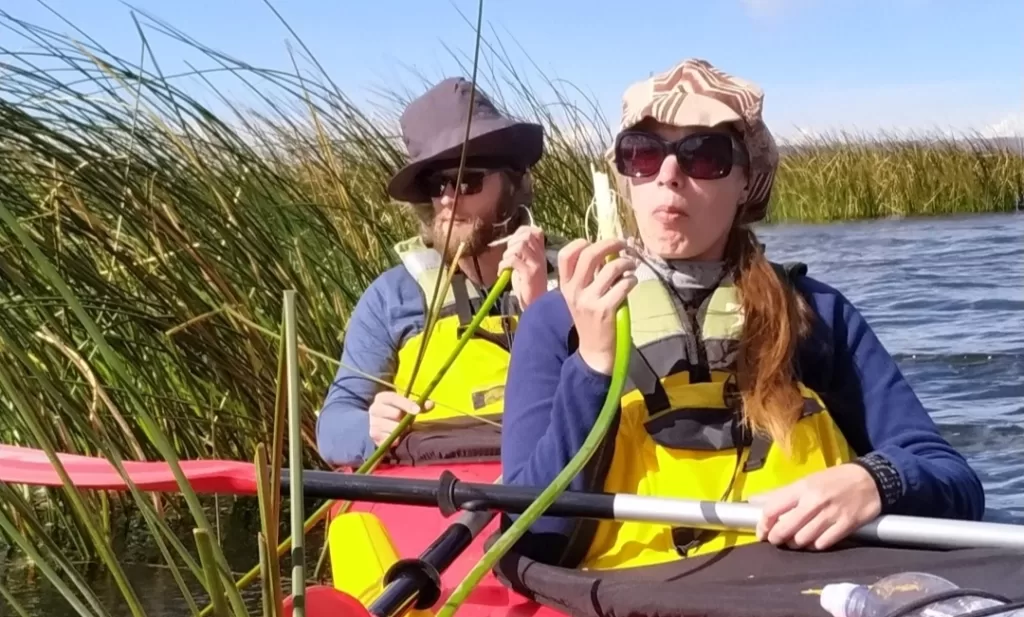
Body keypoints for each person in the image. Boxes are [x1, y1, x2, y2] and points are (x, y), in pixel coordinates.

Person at [499, 58, 985, 570]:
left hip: (799, 589)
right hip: (630, 594)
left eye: (704, 156)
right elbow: (531, 537)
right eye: (643, 155)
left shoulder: (815, 313)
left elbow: (951, 478)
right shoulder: (556, 322)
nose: (668, 176)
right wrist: (594, 366)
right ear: (625, 179)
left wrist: (876, 481)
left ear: (746, 184)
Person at [316, 77, 562, 468]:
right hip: (429, 499)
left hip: (549, 484)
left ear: (513, 183)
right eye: (436, 184)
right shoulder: (393, 296)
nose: (448, 198)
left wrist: (541, 312)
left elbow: (615, 403)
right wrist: (369, 427)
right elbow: (333, 423)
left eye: (466, 179)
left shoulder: (574, 276)